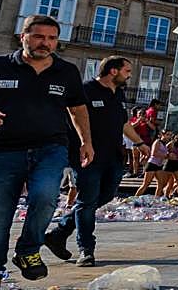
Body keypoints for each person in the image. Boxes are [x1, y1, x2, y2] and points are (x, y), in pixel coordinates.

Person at [0, 15, 91, 290]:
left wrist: (85, 141)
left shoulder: (67, 72)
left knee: (45, 196)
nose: (46, 43)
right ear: (23, 37)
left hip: (49, 148)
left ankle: (28, 250)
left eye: (52, 38)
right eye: (39, 37)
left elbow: (77, 109)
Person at [43, 56, 149, 266]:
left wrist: (139, 143)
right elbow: (73, 116)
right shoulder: (85, 90)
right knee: (87, 200)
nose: (130, 75)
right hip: (87, 156)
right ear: (113, 71)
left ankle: (60, 231)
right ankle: (86, 250)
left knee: (106, 195)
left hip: (113, 155)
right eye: (127, 71)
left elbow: (123, 123)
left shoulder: (118, 93)